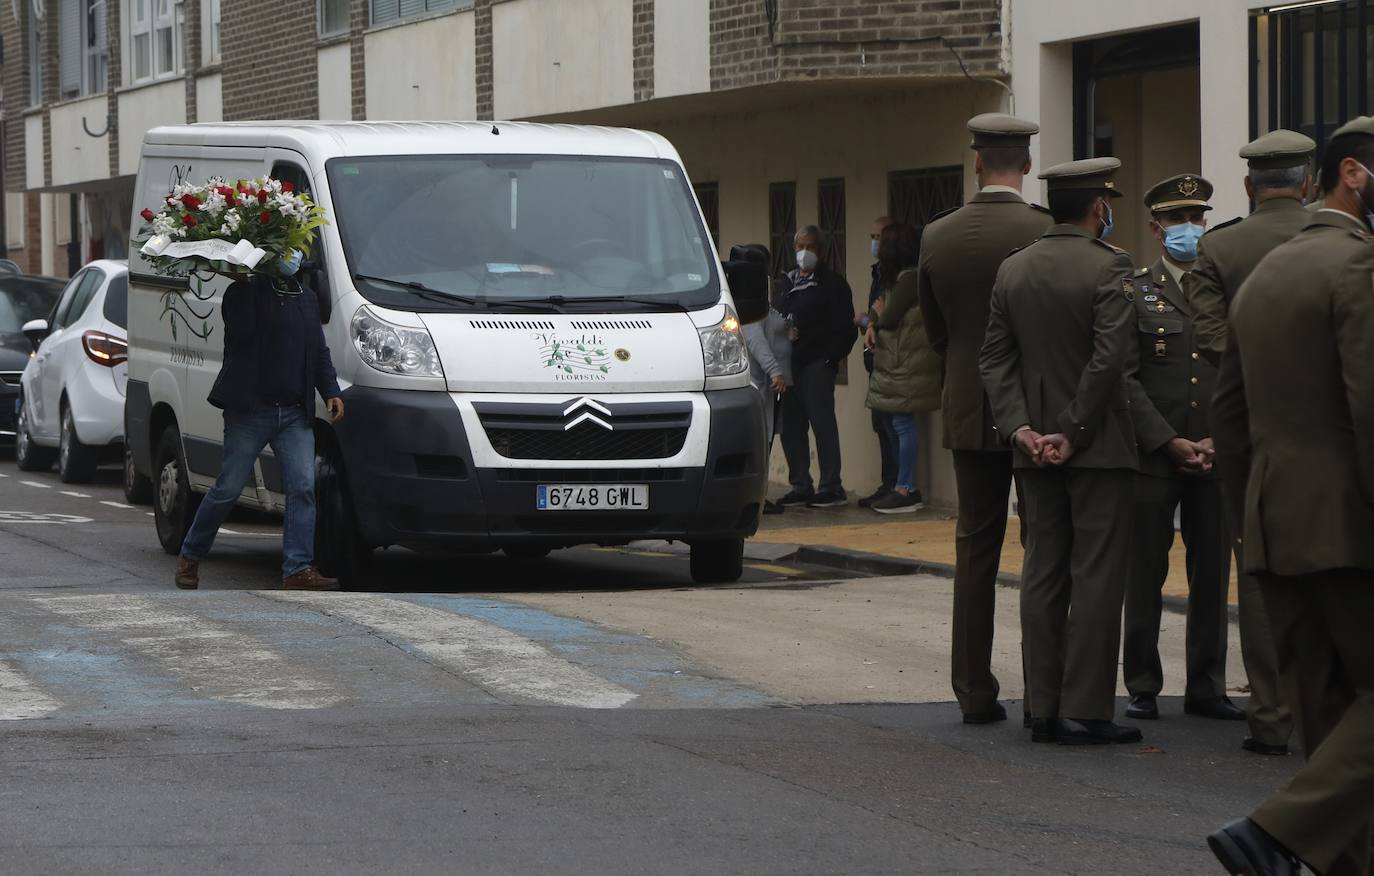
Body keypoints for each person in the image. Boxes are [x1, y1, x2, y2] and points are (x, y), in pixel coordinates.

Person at [1206, 117, 1374, 876]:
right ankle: (1273, 831)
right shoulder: (1357, 268)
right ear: (1354, 176)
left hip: (1276, 526)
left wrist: (1250, 522)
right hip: (1347, 526)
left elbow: (1229, 417)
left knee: (1330, 716)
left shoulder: (1267, 270)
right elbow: (1369, 407)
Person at [979, 156, 1141, 746]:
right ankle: (1086, 708)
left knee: (1042, 572)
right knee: (1096, 576)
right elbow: (1109, 360)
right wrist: (1072, 431)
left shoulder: (1014, 270)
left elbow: (994, 358)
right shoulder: (1111, 267)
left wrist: (1022, 428)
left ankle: (1041, 706)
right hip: (1096, 446)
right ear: (1099, 208)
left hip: (1032, 448)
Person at [1183, 129, 1315, 759]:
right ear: (1309, 182)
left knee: (1257, 566)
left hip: (1249, 426)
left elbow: (1211, 338)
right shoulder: (1342, 241)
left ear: (1248, 186)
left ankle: (1270, 715)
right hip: (1331, 427)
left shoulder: (1221, 246)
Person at [919, 112, 1052, 724]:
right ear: (1025, 165)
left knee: (976, 546)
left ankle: (973, 689)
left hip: (970, 405)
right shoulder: (1045, 231)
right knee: (1043, 547)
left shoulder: (938, 235)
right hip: (1038, 409)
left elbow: (936, 332)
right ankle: (1044, 690)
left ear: (977, 161)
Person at [1120, 174, 1242, 724]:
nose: (1187, 229)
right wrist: (1166, 441)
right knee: (1144, 570)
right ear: (1155, 227)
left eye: (1196, 218)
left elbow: (1241, 368)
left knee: (1212, 571)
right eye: (1175, 220)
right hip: (1154, 452)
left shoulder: (1226, 289)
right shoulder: (1135, 290)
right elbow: (1123, 376)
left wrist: (1221, 436)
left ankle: (1207, 686)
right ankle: (1142, 683)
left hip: (1216, 450)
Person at [174, 256, 345, 592]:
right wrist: (242, 284)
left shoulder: (306, 299)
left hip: (294, 413)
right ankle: (190, 555)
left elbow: (318, 351)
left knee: (303, 488)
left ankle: (297, 568)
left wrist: (330, 391)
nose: (291, 260)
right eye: (283, 254)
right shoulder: (244, 293)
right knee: (227, 489)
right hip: (250, 412)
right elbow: (242, 334)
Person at [774, 225, 858, 509]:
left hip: (816, 364)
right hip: (788, 365)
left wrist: (829, 359)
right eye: (799, 247)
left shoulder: (833, 285)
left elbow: (846, 328)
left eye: (810, 247)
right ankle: (801, 484)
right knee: (791, 428)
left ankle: (831, 486)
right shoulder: (786, 282)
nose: (804, 253)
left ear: (821, 251)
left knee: (822, 425)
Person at [862, 223, 940, 514]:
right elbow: (878, 307)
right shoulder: (899, 279)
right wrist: (873, 319)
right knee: (896, 424)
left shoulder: (909, 279)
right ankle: (900, 484)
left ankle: (905, 487)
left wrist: (875, 320)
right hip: (899, 364)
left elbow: (888, 314)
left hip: (905, 364)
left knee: (902, 425)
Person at [740, 244, 791, 515]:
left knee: (765, 439)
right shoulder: (751, 299)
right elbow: (755, 340)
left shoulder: (761, 298)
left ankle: (759, 495)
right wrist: (775, 370)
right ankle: (756, 496)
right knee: (760, 440)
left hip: (763, 386)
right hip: (758, 383)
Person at [858, 216, 896, 508]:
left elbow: (884, 312)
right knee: (880, 425)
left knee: (894, 426)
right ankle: (887, 483)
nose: (874, 243)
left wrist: (871, 319)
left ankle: (897, 484)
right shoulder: (879, 272)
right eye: (872, 236)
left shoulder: (897, 275)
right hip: (876, 360)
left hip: (892, 360)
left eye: (878, 237)